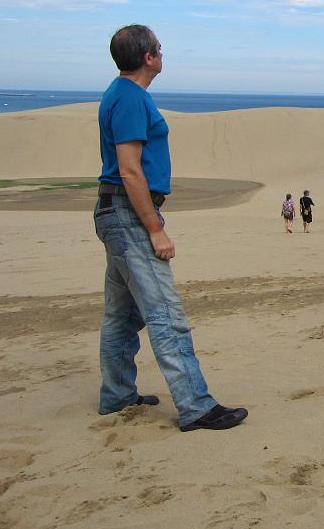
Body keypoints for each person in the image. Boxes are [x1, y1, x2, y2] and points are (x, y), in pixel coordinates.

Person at [95, 24, 247, 432]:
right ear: (148, 57)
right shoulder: (128, 98)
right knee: (165, 314)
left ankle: (117, 395)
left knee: (122, 317)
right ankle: (196, 405)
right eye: (159, 49)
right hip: (130, 215)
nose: (163, 54)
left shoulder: (124, 94)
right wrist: (154, 228)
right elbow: (130, 171)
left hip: (119, 214)